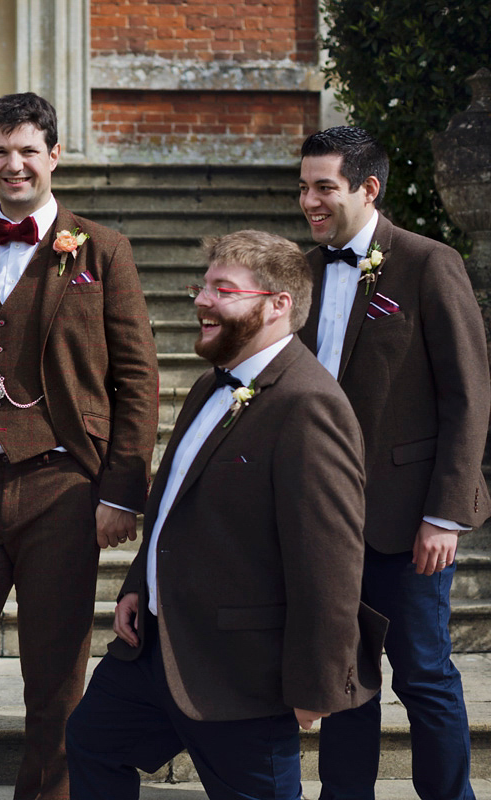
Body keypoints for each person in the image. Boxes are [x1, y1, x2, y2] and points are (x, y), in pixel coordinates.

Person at [0, 91, 160, 800]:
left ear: (54, 155)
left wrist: (122, 490)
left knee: (54, 676)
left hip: (64, 486)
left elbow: (138, 378)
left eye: (26, 151)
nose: (12, 165)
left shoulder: (102, 249)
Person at [65, 229, 385, 800]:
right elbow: (171, 500)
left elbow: (331, 562)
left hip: (243, 671)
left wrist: (317, 681)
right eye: (202, 286)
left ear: (277, 304)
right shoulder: (211, 386)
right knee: (91, 741)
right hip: (156, 650)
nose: (201, 301)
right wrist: (140, 584)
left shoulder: (308, 404)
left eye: (222, 290)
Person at [298, 126, 491, 800]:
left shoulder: (427, 262)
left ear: (367, 188)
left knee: (423, 675)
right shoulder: (304, 270)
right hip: (323, 519)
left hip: (410, 523)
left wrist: (446, 512)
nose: (310, 200)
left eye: (324, 187)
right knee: (342, 678)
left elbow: (467, 395)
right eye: (304, 187)